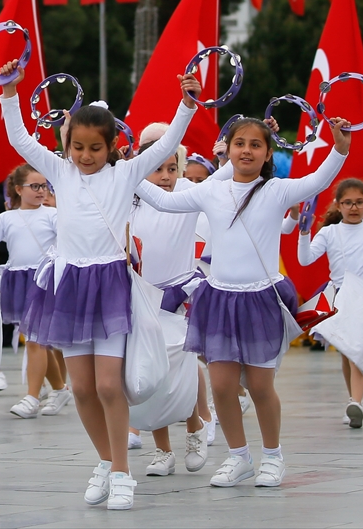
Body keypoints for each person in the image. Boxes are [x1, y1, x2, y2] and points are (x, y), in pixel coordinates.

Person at [0, 60, 200, 511]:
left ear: (112, 146)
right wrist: (10, 91)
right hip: (69, 285)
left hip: (109, 282)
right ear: (66, 145)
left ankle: (123, 474)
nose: (85, 156)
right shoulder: (59, 170)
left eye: (95, 148)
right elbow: (17, 138)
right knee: (83, 388)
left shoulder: (126, 174)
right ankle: (107, 463)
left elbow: (167, 142)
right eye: (77, 147)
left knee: (110, 385)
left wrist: (186, 104)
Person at [135, 115, 352, 490]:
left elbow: (319, 180)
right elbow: (161, 199)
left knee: (260, 385)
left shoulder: (277, 190)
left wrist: (340, 148)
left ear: (268, 152)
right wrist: (123, 169)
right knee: (220, 386)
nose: (246, 150)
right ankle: (239, 458)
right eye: (240, 144)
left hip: (260, 299)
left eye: (255, 144)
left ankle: (272, 456)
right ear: (229, 149)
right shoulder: (211, 191)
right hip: (219, 298)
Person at [127, 135, 211, 476]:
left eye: (172, 168)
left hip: (178, 294)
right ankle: (163, 450)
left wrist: (226, 155)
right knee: (151, 372)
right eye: (157, 168)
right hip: (140, 295)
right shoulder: (128, 200)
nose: (165, 175)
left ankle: (195, 429)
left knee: (182, 367)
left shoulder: (187, 196)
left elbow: (223, 180)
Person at [296, 178, 363, 428]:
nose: (354, 207)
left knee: (359, 351)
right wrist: (304, 233)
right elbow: (305, 259)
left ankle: (357, 402)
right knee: (347, 353)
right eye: (348, 203)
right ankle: (352, 400)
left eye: (359, 202)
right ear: (338, 204)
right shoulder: (329, 232)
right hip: (339, 296)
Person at [0, 164, 70, 418]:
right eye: (34, 186)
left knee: (36, 340)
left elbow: (68, 244)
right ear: (18, 189)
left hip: (44, 280)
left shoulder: (53, 215)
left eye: (44, 186)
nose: (41, 191)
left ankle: (32, 397)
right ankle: (59, 388)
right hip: (17, 280)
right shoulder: (6, 218)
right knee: (38, 341)